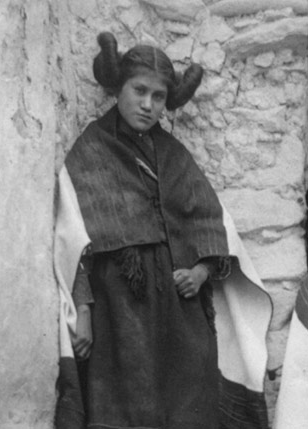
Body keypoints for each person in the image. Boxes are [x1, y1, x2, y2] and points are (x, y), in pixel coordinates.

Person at [54, 32, 272, 429]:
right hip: (118, 310)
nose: (148, 104)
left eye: (158, 97)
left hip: (178, 310)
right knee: (124, 408)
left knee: (187, 405)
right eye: (139, 91)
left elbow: (212, 222)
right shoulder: (90, 151)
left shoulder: (174, 155)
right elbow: (71, 242)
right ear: (118, 88)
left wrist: (201, 272)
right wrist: (82, 310)